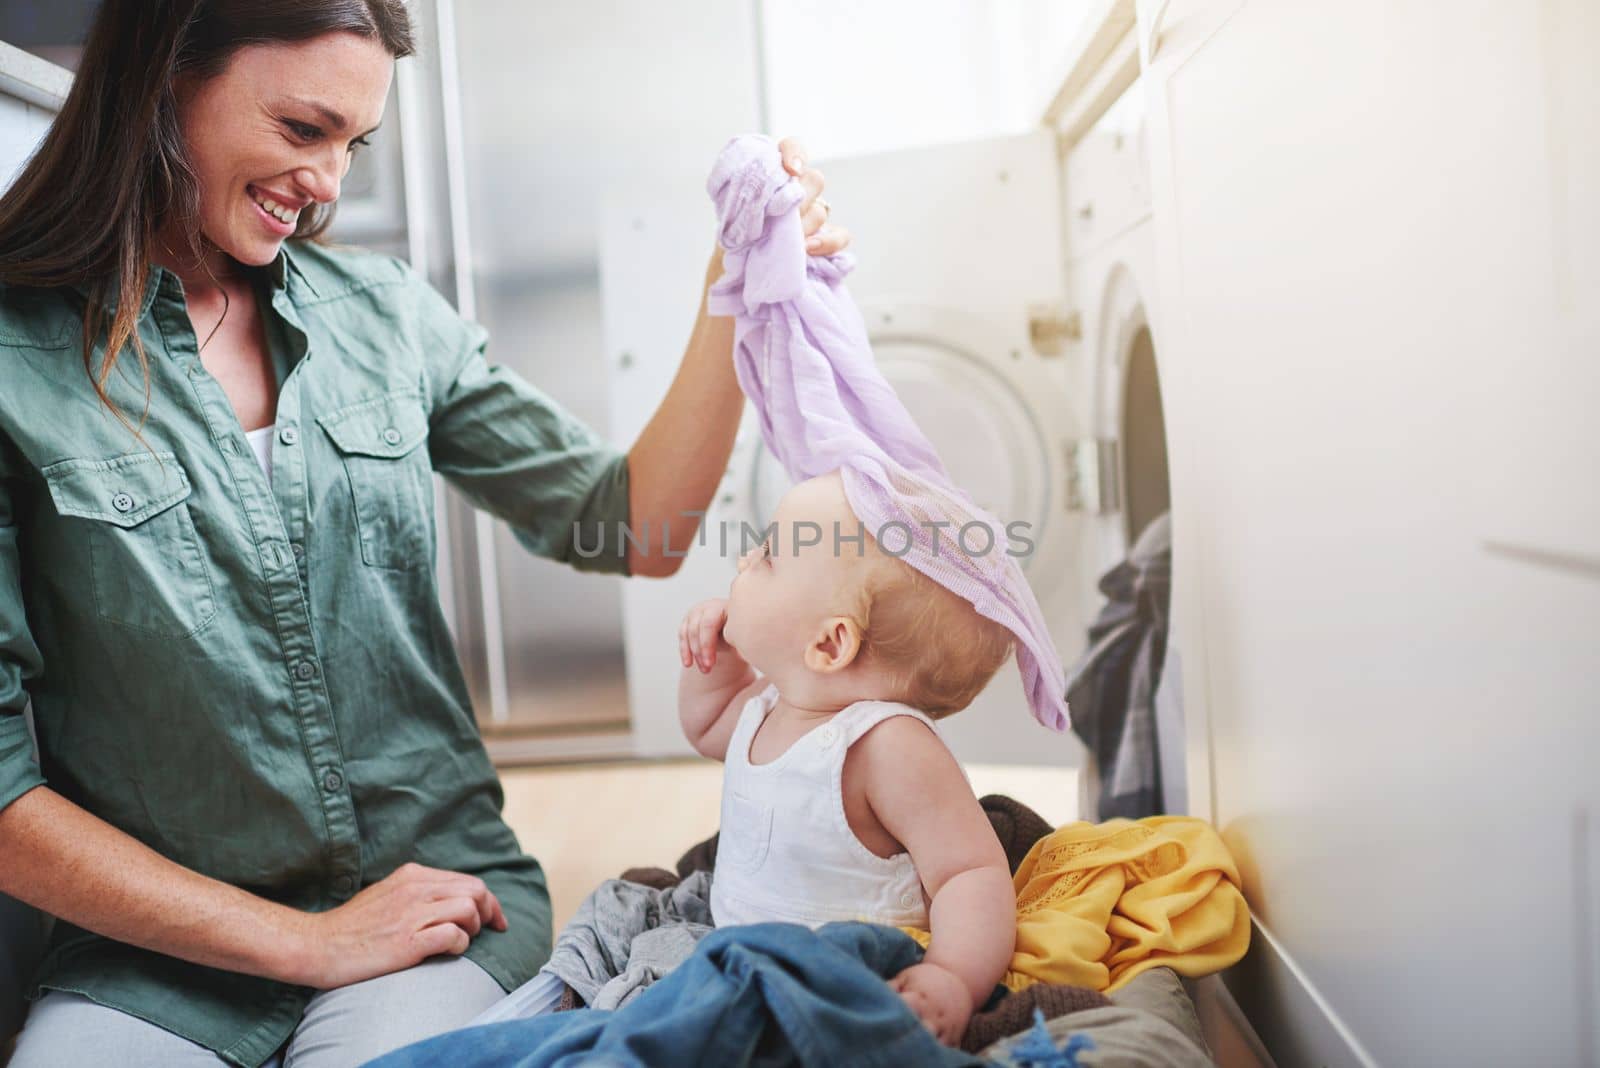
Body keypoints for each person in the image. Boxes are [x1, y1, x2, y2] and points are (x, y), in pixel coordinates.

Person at [0, 1, 848, 1065]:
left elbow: (637, 526)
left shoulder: (386, 315)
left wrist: (735, 288)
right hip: (151, 952)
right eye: (303, 132)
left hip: (434, 898)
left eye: (354, 146)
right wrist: (304, 942)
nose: (329, 186)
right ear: (163, 81)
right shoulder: (12, 358)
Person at [676, 472, 1018, 1045]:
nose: (743, 560)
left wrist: (952, 977)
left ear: (829, 645)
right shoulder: (768, 706)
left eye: (767, 556)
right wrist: (711, 659)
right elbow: (707, 728)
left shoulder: (887, 746)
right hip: (741, 957)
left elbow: (970, 873)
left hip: (848, 973)